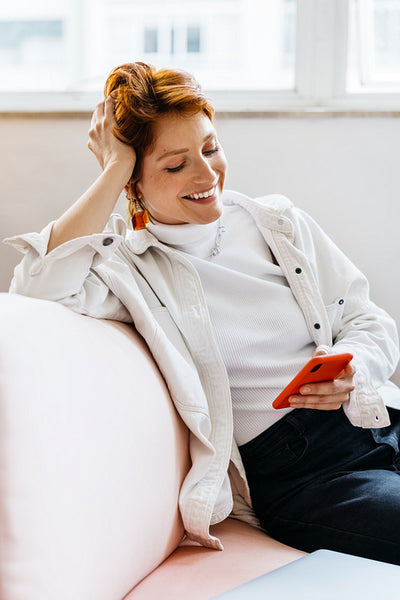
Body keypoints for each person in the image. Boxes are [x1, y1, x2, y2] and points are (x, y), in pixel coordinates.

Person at [5, 61, 400, 564]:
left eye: (211, 148)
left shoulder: (278, 222)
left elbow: (368, 319)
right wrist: (112, 168)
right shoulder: (126, 270)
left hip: (378, 417)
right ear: (133, 182)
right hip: (309, 475)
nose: (206, 172)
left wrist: (351, 366)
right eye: (175, 165)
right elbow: (36, 291)